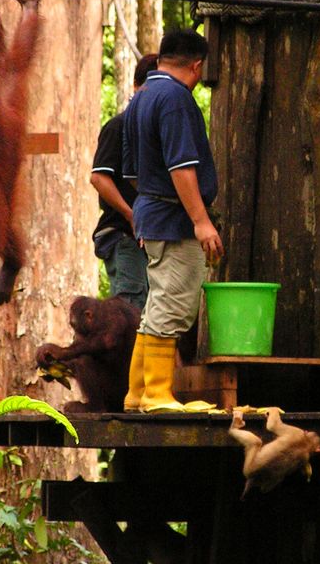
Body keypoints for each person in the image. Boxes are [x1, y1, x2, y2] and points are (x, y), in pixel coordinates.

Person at [121, 29, 223, 412]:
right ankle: (157, 394)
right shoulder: (175, 98)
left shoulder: (141, 96)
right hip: (174, 218)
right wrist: (200, 219)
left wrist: (149, 206)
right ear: (196, 67)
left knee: (157, 303)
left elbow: (130, 171)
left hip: (152, 210)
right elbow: (182, 166)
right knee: (174, 303)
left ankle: (136, 392)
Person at [90, 53, 159, 310]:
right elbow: (98, 178)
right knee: (130, 308)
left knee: (151, 310)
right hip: (122, 234)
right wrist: (131, 215)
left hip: (147, 238)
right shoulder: (118, 126)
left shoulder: (154, 130)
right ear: (136, 87)